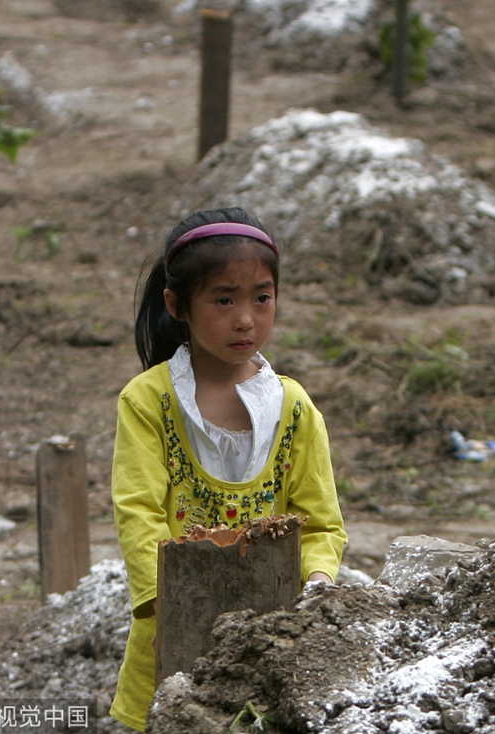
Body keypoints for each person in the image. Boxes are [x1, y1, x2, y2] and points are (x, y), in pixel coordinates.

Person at [109, 207, 347, 732]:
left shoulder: (295, 408)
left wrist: (317, 586)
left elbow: (322, 522)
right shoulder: (149, 401)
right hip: (171, 634)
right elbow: (138, 511)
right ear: (178, 306)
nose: (246, 318)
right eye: (223, 299)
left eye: (261, 297)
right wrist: (161, 610)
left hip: (275, 644)